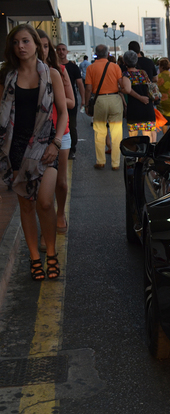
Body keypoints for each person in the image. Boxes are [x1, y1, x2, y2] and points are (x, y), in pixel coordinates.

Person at [0, 24, 67, 280]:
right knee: (26, 205)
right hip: (15, 148)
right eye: (16, 42)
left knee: (45, 201)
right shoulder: (7, 77)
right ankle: (35, 258)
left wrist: (56, 142)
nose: (21, 46)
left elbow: (62, 111)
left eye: (26, 41)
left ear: (36, 45)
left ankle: (51, 252)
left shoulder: (51, 74)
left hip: (46, 146)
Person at [36, 33, 74, 245]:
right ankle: (46, 227)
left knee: (60, 181)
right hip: (35, 136)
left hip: (60, 131)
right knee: (42, 187)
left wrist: (52, 100)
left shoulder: (58, 71)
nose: (41, 50)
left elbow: (70, 103)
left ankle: (60, 214)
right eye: (37, 45)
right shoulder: (22, 74)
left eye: (44, 46)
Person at [84, 44, 124, 170]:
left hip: (99, 100)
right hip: (114, 99)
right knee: (116, 132)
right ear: (108, 54)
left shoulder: (91, 68)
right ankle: (116, 163)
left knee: (99, 132)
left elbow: (88, 88)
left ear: (96, 54)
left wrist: (86, 104)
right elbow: (122, 85)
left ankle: (100, 161)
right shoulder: (115, 67)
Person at [119, 50, 157, 141]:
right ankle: (147, 154)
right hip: (147, 108)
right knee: (147, 136)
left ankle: (135, 154)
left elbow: (128, 90)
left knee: (133, 137)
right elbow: (150, 87)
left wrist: (120, 89)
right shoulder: (143, 73)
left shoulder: (126, 75)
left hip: (134, 109)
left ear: (125, 62)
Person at [56, 43, 85, 161]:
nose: (61, 51)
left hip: (70, 101)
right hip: (56, 102)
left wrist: (83, 100)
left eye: (63, 49)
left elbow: (79, 84)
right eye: (59, 49)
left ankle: (72, 149)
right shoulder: (53, 66)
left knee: (72, 126)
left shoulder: (73, 67)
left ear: (67, 52)